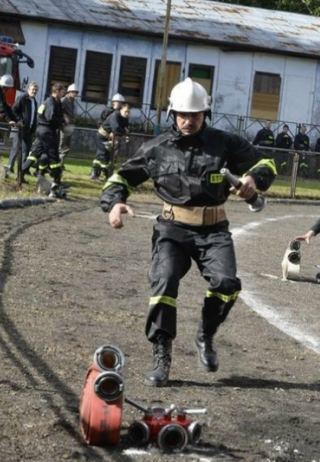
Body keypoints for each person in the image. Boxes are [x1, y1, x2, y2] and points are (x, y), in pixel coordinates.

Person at [100, 78, 276, 387]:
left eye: (195, 114)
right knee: (164, 282)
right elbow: (120, 177)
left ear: (206, 113)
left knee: (227, 284)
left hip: (213, 230)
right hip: (172, 229)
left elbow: (267, 163)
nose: (188, 120)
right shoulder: (156, 148)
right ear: (172, 113)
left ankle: (205, 334)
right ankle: (161, 354)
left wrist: (254, 178)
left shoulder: (226, 143)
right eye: (182, 113)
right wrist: (115, 202)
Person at [22, 83, 65, 197]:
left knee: (35, 153)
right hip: (47, 131)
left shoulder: (54, 102)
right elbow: (51, 118)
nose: (63, 94)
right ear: (57, 91)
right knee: (53, 155)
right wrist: (62, 121)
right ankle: (56, 182)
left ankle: (21, 173)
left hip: (41, 130)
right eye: (62, 92)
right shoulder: (51, 103)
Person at [90, 103, 130, 180]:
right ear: (121, 110)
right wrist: (123, 132)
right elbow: (116, 129)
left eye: (128, 112)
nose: (127, 114)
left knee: (102, 156)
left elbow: (126, 128)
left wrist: (125, 132)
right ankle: (106, 175)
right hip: (102, 136)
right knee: (103, 155)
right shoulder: (115, 115)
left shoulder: (125, 118)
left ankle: (95, 174)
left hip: (110, 138)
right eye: (126, 111)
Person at [7, 81, 38, 178]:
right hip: (20, 127)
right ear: (28, 89)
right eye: (33, 89)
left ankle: (22, 169)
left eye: (36, 90)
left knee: (27, 149)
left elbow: (33, 116)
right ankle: (9, 167)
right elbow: (14, 110)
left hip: (29, 129)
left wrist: (33, 128)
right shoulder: (22, 98)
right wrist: (20, 121)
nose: (34, 91)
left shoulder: (34, 101)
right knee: (16, 148)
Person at [59, 83, 79, 169]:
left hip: (70, 125)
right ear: (69, 92)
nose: (75, 94)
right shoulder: (64, 100)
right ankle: (58, 163)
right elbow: (59, 110)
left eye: (76, 92)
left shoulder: (73, 102)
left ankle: (61, 162)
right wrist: (65, 117)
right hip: (63, 125)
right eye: (73, 92)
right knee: (61, 144)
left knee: (67, 146)